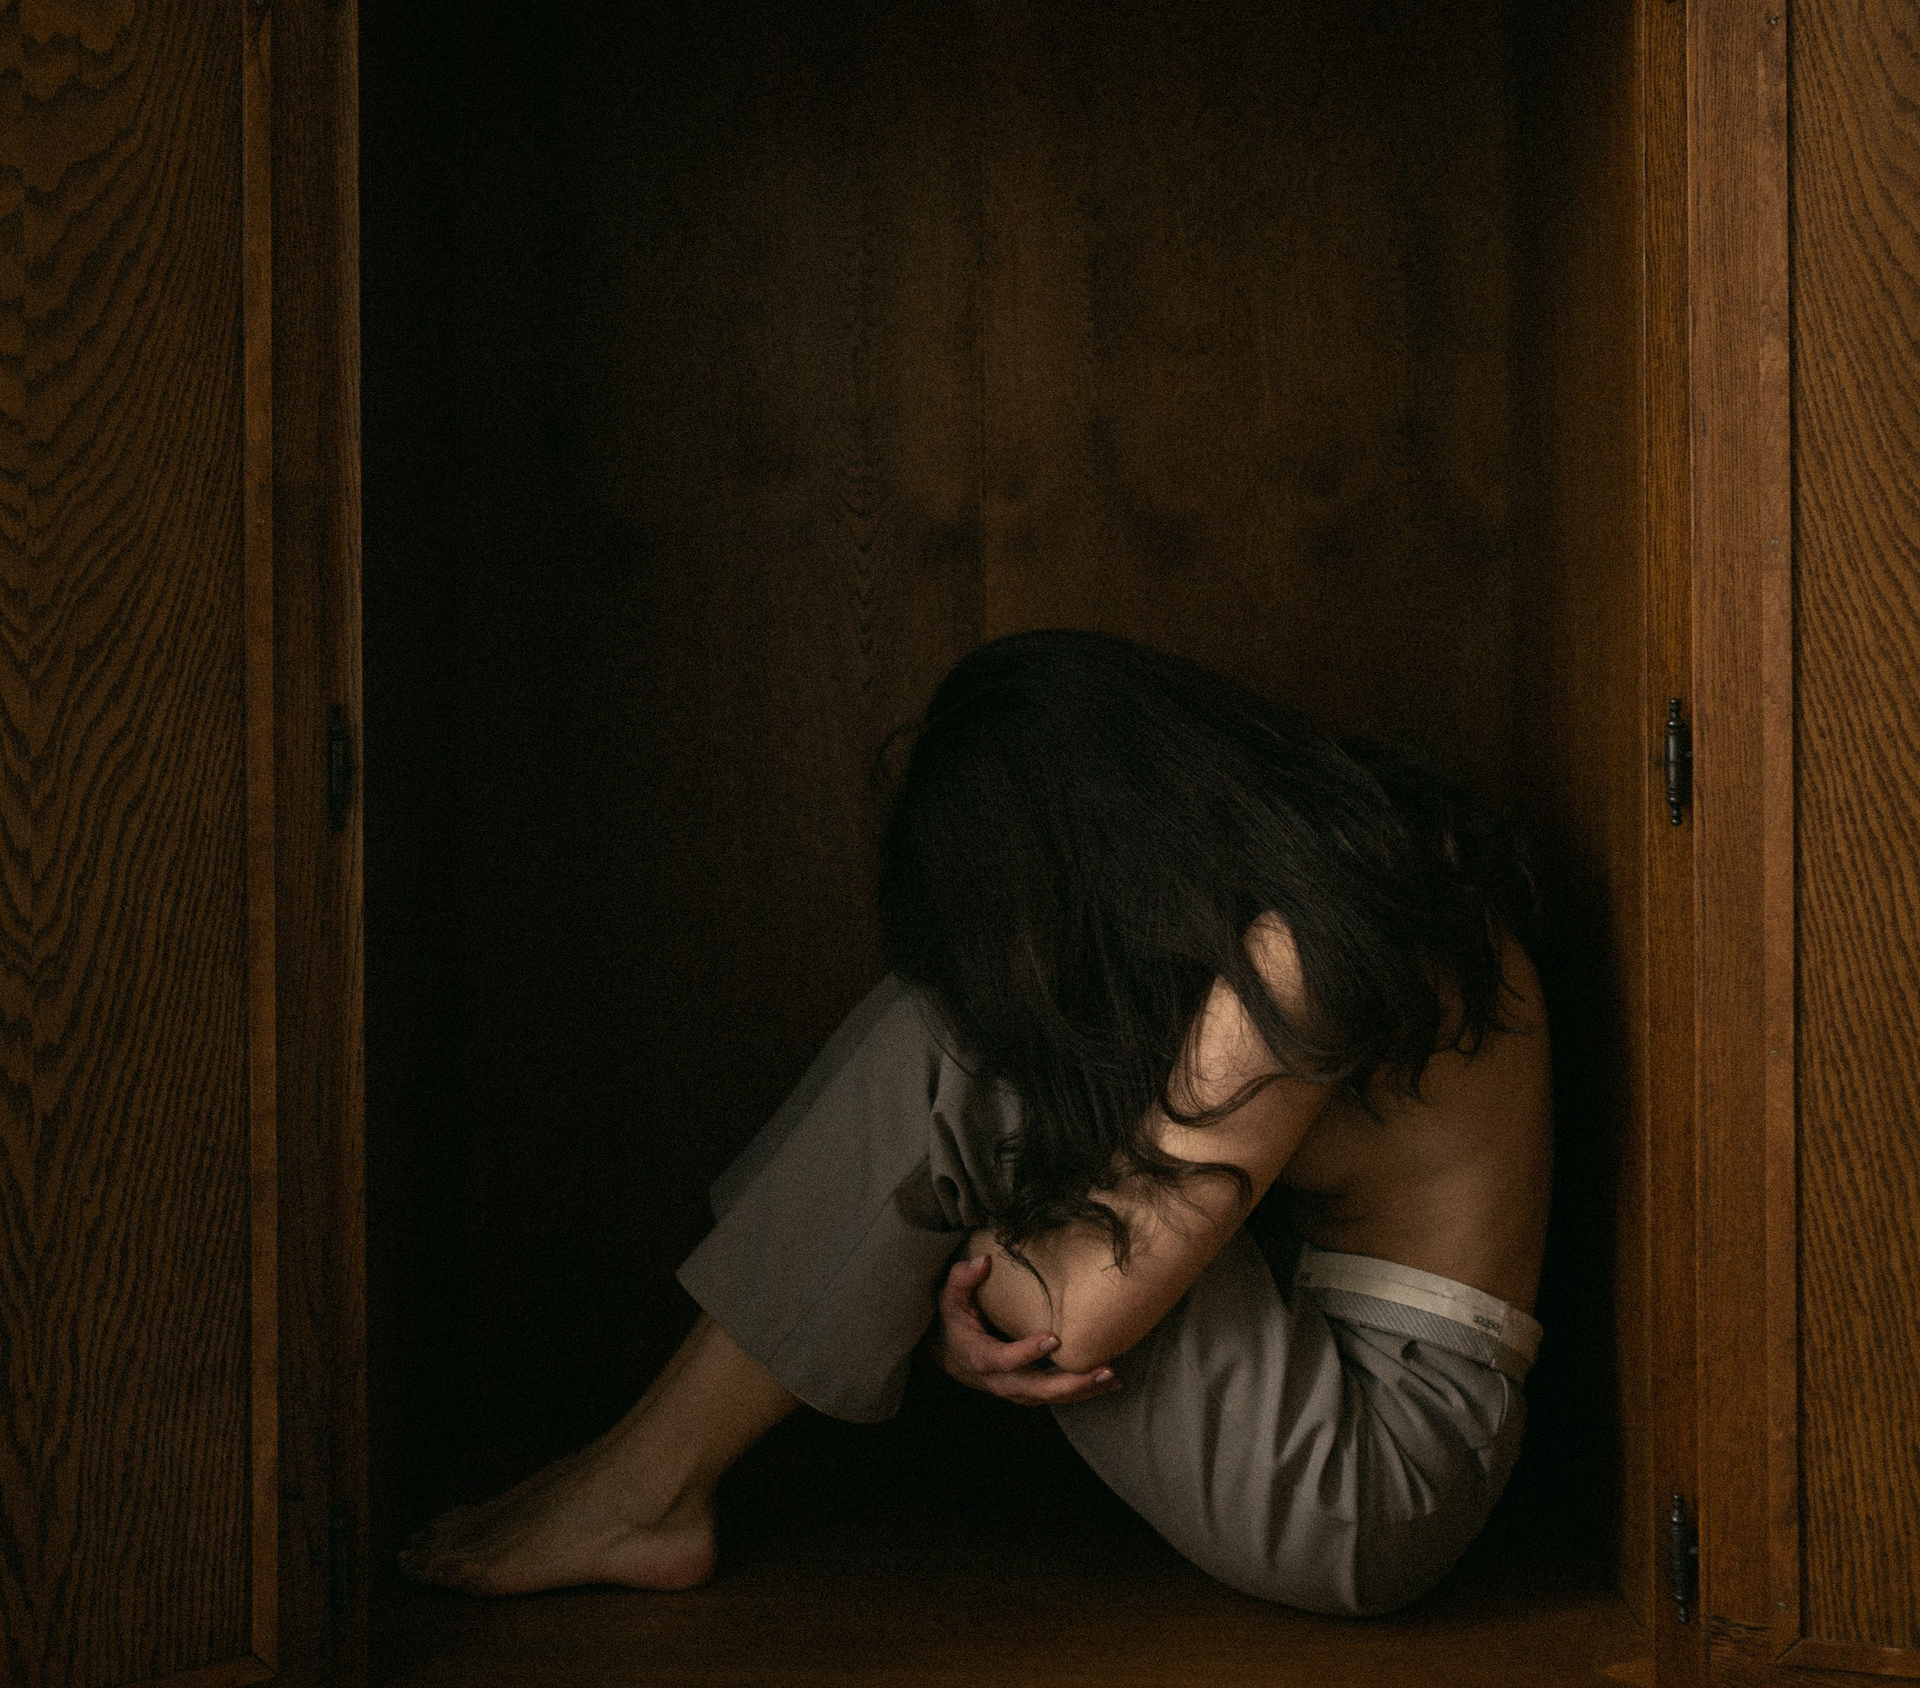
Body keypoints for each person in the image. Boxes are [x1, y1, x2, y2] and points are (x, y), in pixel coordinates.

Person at [401, 630, 1552, 1617]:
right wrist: (978, 1281)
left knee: (958, 1053)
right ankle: (641, 1483)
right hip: (1327, 1390)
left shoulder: (1303, 951)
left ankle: (640, 1489)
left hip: (1371, 1477)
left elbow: (1078, 1321)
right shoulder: (1340, 871)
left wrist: (975, 1270)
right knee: (971, 1059)